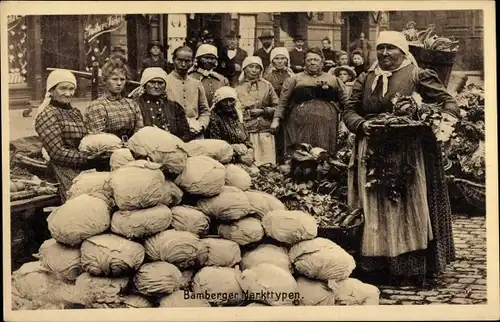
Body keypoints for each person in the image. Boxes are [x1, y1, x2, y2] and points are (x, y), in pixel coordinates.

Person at [342, 31, 459, 285]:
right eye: (380, 48)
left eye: (391, 48)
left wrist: (432, 119)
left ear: (403, 52)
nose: (384, 53)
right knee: (373, 206)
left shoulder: (418, 76)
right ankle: (375, 265)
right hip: (370, 149)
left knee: (405, 205)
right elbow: (349, 109)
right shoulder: (366, 77)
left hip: (406, 152)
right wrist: (361, 125)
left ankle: (409, 267)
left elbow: (448, 103)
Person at [34, 70, 107, 202]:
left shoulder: (75, 112)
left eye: (71, 89)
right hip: (62, 167)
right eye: (63, 88)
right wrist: (88, 159)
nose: (68, 93)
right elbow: (56, 152)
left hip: (83, 162)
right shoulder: (47, 115)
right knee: (84, 200)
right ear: (51, 90)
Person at [270, 47, 349, 160]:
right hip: (300, 124)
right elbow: (283, 102)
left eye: (316, 60)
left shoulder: (333, 80)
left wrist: (345, 122)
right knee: (303, 154)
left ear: (322, 61)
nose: (312, 63)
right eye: (309, 60)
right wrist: (276, 120)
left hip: (327, 125)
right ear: (304, 62)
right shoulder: (294, 79)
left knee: (324, 155)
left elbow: (345, 102)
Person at [84, 58, 144, 141]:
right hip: (107, 149)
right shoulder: (97, 106)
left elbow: (139, 132)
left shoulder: (132, 104)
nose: (119, 83)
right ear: (105, 80)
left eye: (122, 79)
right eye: (114, 79)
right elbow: (98, 138)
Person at [236, 56, 279, 166]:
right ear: (244, 68)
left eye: (257, 67)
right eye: (251, 67)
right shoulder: (238, 87)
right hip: (247, 131)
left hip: (264, 130)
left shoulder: (267, 85)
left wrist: (263, 111)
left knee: (267, 164)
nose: (254, 70)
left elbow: (278, 107)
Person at [130, 67, 192, 142]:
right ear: (145, 85)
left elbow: (186, 135)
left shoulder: (174, 107)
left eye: (160, 83)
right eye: (152, 82)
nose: (156, 86)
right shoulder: (134, 105)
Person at [165, 46, 210, 140]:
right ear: (173, 60)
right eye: (179, 60)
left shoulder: (197, 84)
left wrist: (201, 125)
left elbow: (205, 110)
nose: (183, 64)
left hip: (196, 135)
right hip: (173, 134)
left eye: (187, 61)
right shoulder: (165, 82)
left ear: (193, 62)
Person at [263, 47, 295, 164]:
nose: (280, 61)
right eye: (277, 58)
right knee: (276, 137)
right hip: (274, 110)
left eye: (283, 58)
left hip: (289, 111)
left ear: (287, 60)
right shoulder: (267, 76)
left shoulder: (291, 75)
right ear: (272, 61)